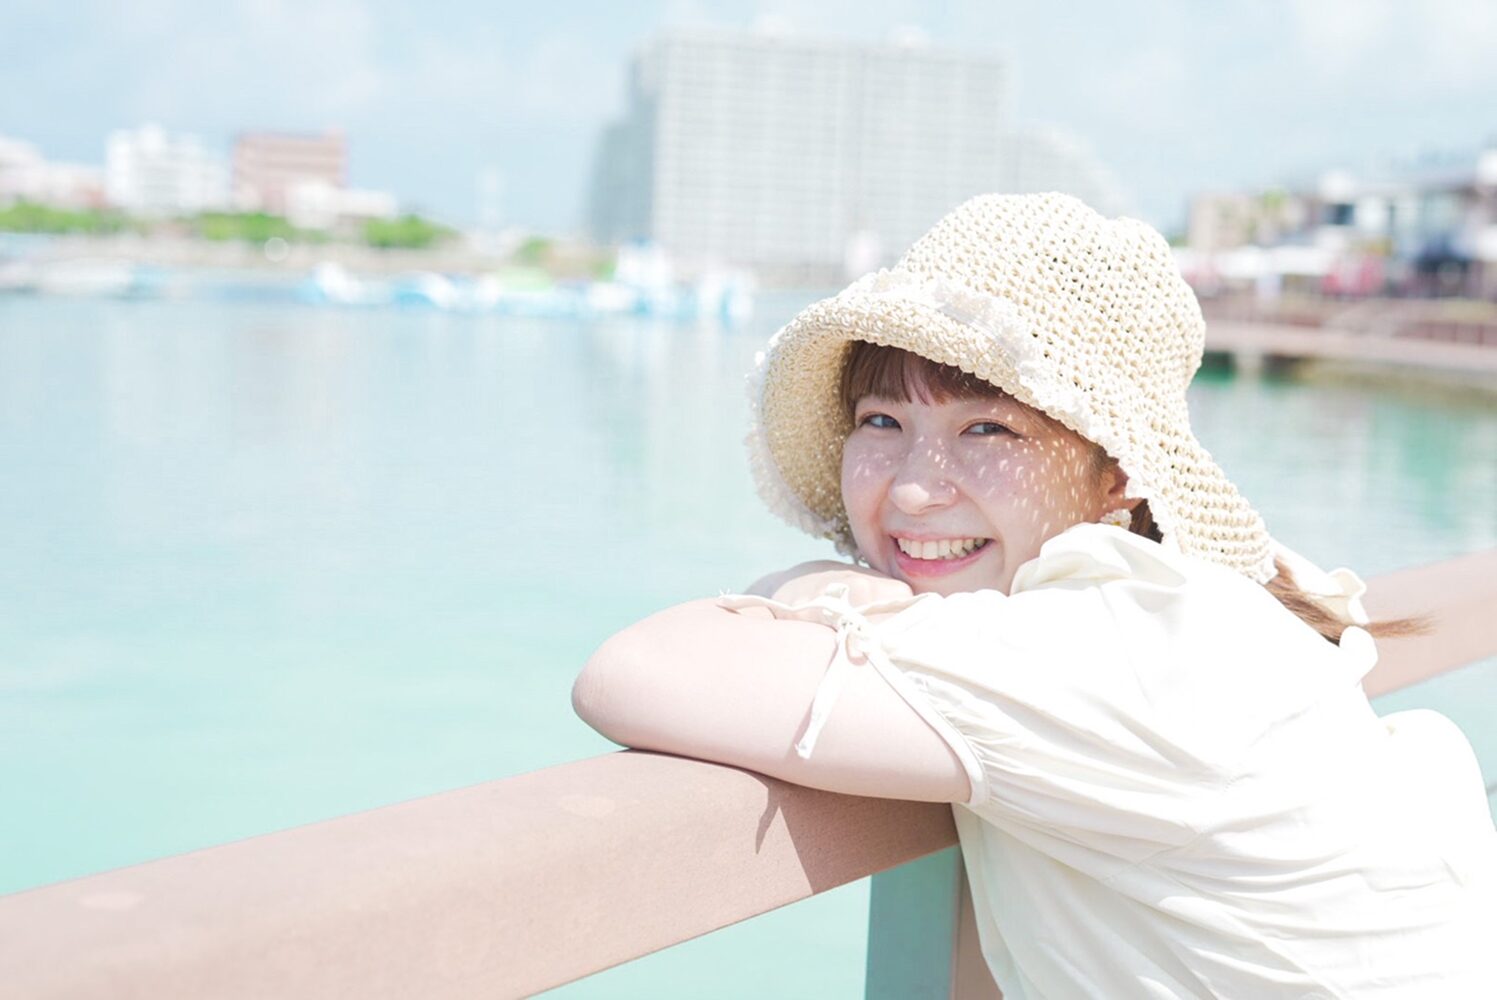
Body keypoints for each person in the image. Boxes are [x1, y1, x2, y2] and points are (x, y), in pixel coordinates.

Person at [572, 193, 1495, 997]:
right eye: (882, 420)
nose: (912, 489)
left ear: (1118, 474)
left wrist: (819, 587)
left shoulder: (1113, 651)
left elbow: (632, 672)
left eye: (987, 430)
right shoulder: (1193, 604)